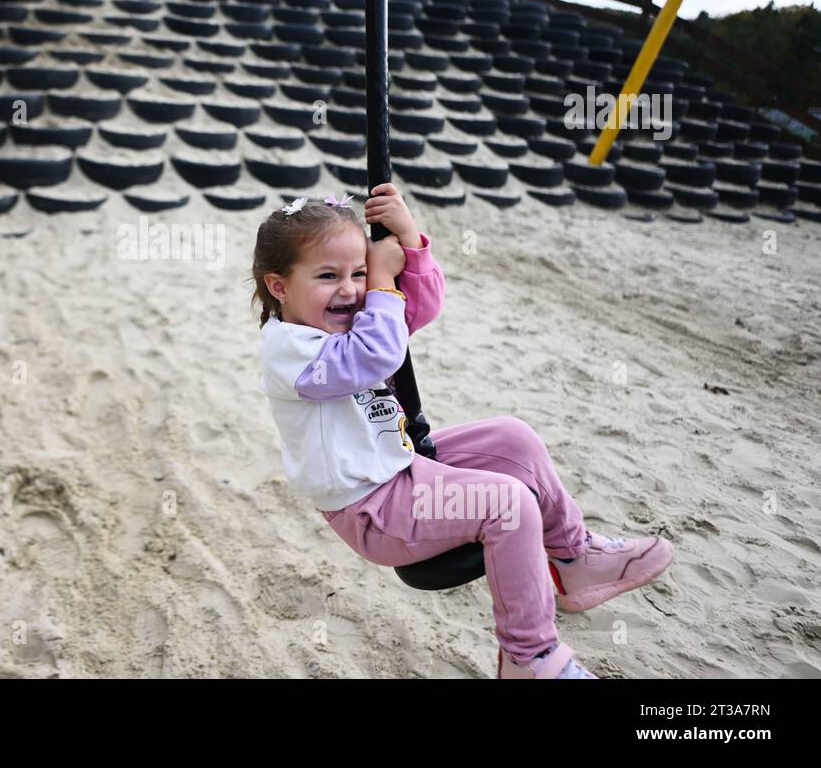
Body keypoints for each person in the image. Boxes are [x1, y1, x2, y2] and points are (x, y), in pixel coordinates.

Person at [251, 185, 674, 679]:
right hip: (372, 508)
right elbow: (376, 355)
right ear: (279, 286)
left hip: (400, 468)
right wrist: (382, 282)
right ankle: (531, 658)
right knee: (508, 504)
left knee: (511, 439)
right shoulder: (289, 350)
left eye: (358, 272)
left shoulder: (353, 321)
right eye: (328, 276)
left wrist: (409, 241)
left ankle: (573, 559)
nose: (349, 289)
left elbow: (419, 308)